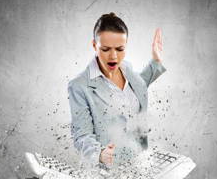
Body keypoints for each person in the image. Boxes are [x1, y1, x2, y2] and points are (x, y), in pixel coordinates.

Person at [68, 12, 166, 170]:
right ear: (94, 45)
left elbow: (136, 89)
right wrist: (99, 154)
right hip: (105, 175)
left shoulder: (126, 67)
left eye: (120, 49)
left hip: (139, 169)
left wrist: (156, 62)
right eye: (105, 49)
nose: (113, 56)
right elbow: (82, 135)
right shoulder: (79, 86)